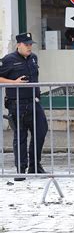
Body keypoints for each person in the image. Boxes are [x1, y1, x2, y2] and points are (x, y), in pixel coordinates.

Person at [0, 33, 48, 181]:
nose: (29, 47)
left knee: (41, 131)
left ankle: (35, 165)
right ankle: (21, 169)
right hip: (17, 104)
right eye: (26, 44)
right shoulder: (8, 60)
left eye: (30, 44)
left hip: (34, 102)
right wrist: (14, 82)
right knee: (20, 137)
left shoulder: (33, 58)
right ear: (18, 45)